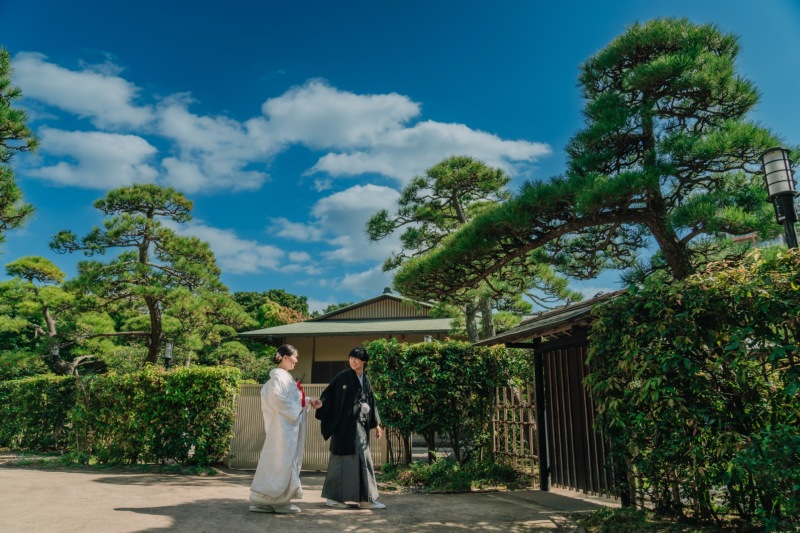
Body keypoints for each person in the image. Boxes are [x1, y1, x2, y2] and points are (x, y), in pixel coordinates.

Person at [249, 344, 320, 514]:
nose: (296, 360)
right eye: (295, 357)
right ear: (285, 357)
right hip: (283, 428)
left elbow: (290, 399)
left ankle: (264, 500)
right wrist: (299, 407)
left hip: (285, 426)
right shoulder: (278, 377)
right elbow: (278, 400)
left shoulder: (283, 377)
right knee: (283, 462)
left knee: (276, 461)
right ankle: (280, 502)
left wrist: (308, 401)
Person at [315, 346, 386, 510]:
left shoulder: (365, 379)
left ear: (364, 361)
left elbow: (371, 401)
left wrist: (376, 424)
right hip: (343, 428)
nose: (352, 361)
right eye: (351, 358)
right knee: (340, 461)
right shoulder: (343, 377)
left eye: (356, 358)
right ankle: (333, 498)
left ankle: (365, 498)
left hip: (360, 427)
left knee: (363, 460)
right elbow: (328, 394)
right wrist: (322, 403)